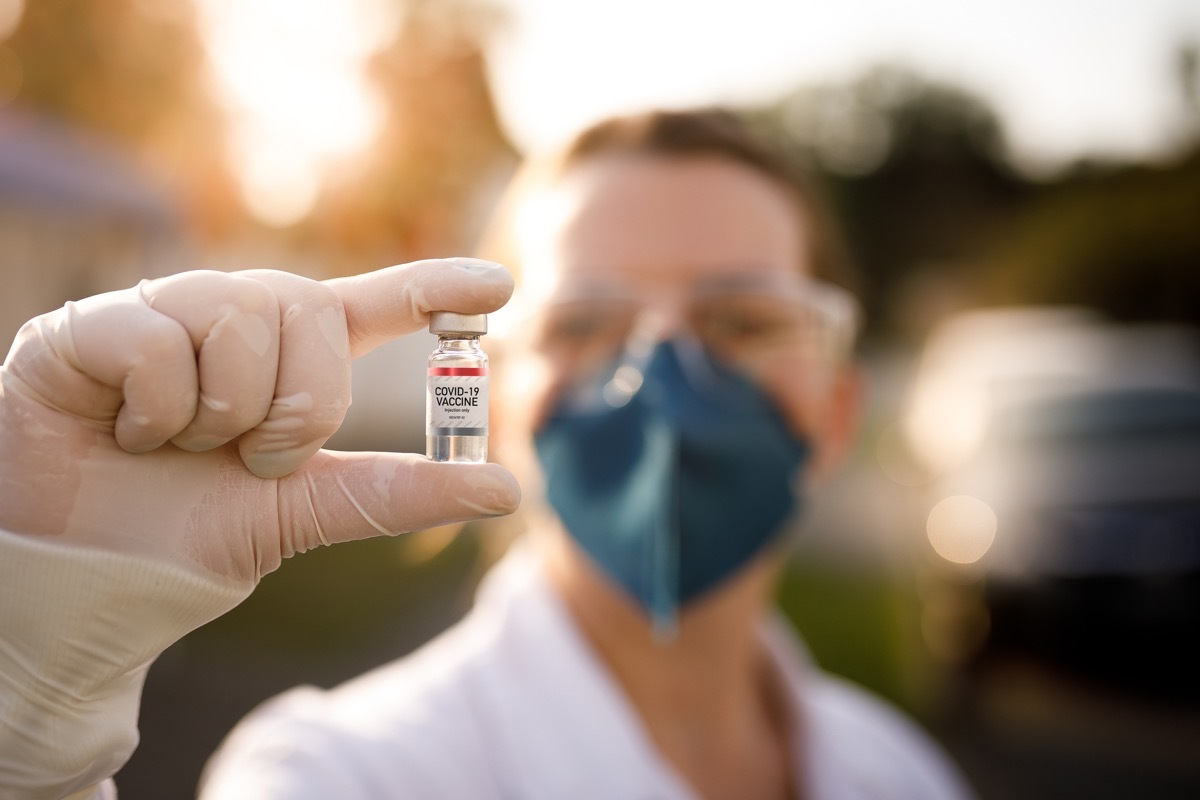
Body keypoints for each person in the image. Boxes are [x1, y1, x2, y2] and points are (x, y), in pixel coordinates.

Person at [0, 109, 974, 799]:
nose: (662, 373)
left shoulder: (900, 772)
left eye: (746, 318)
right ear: (494, 397)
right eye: (587, 319)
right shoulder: (343, 775)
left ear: (839, 413)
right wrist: (31, 738)